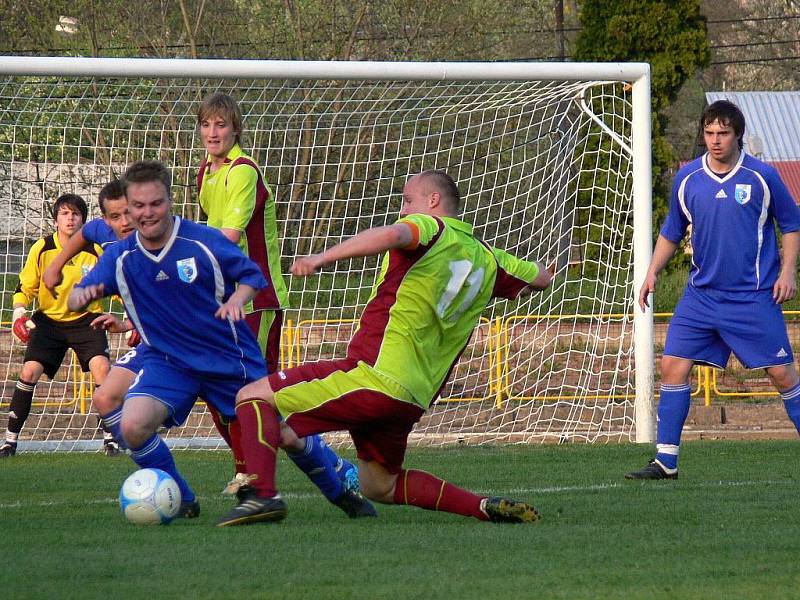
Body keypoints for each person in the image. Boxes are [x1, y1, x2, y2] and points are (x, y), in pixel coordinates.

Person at [216, 169, 552, 526]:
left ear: (432, 201)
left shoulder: (430, 229)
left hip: (374, 373)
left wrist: (321, 259)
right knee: (379, 485)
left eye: (408, 201)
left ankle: (261, 496)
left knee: (251, 396)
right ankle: (480, 506)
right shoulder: (490, 259)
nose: (404, 210)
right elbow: (541, 277)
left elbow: (394, 233)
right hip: (412, 397)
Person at [68, 160, 373, 521]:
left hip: (227, 357)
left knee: (283, 433)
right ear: (128, 208)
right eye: (138, 206)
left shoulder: (202, 241)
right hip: (168, 362)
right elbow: (80, 293)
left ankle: (341, 484)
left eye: (156, 204)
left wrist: (236, 299)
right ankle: (180, 497)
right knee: (132, 426)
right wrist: (80, 296)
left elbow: (252, 276)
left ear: (170, 200)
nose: (147, 213)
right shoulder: (120, 255)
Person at [196, 92, 360, 496]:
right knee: (217, 390)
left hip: (256, 301)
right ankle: (301, 467)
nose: (213, 132)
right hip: (221, 302)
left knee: (256, 397)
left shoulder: (244, 171)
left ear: (235, 128)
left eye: (221, 124)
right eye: (206, 124)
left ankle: (266, 478)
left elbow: (228, 238)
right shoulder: (206, 172)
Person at [626, 100, 800, 480]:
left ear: (737, 134)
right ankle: (665, 461)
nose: (715, 140)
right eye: (709, 133)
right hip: (701, 297)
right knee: (672, 366)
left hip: (753, 297)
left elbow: (791, 223)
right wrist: (652, 271)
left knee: (783, 376)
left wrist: (788, 272)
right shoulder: (688, 179)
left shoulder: (762, 177)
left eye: (723, 133)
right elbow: (672, 231)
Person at [1, 194, 113, 457]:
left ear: (83, 219)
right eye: (64, 213)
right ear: (56, 219)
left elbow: (116, 286)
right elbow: (25, 286)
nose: (70, 218)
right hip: (49, 322)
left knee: (103, 369)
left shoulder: (95, 249)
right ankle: (9, 441)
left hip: (87, 320)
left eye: (75, 213)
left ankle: (111, 438)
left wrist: (133, 317)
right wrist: (19, 313)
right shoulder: (42, 248)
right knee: (28, 372)